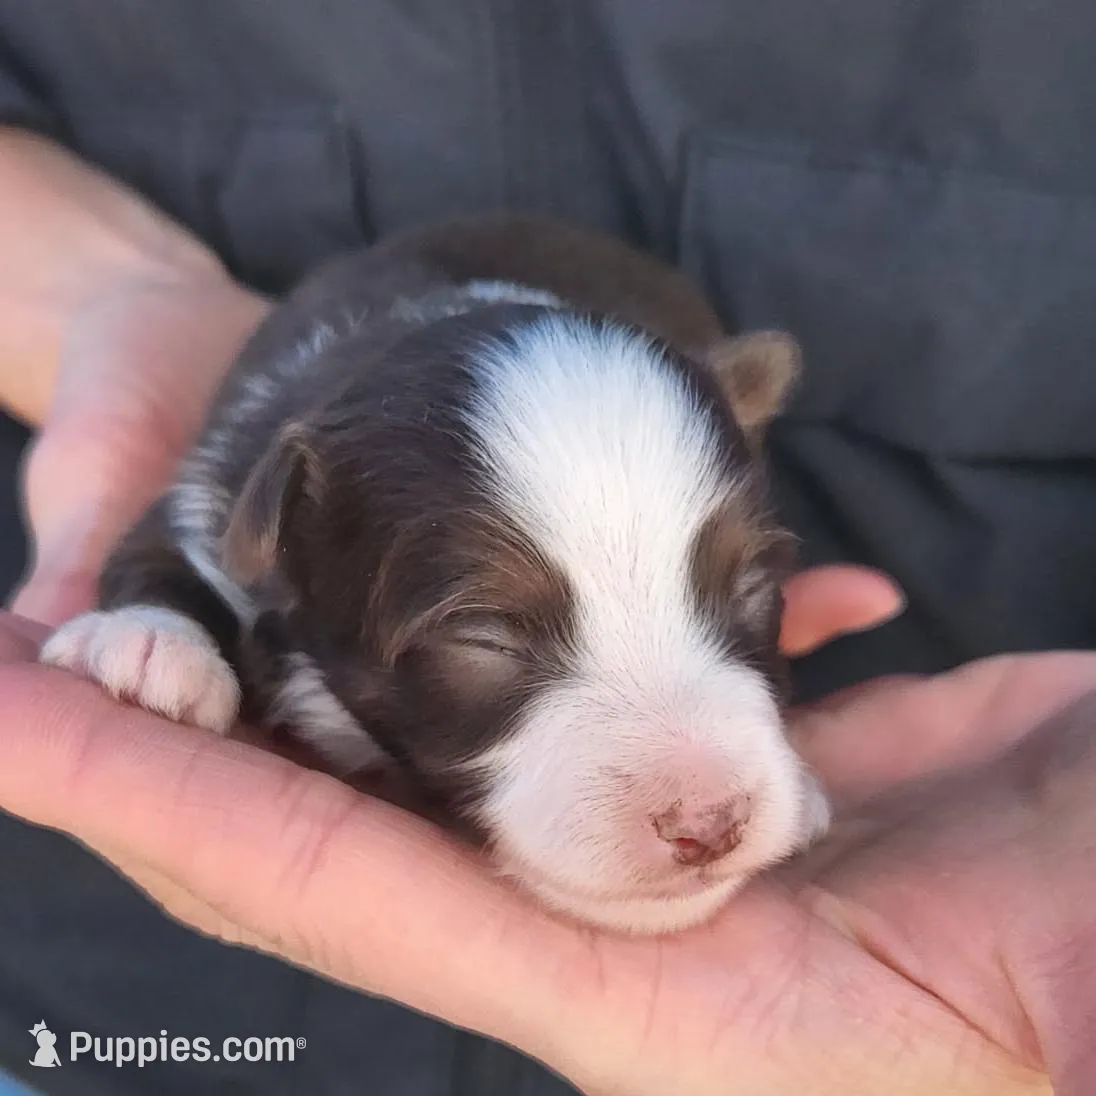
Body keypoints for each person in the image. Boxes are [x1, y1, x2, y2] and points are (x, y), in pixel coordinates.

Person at [1, 3, 1095, 1092]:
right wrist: (155, 612)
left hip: (938, 755)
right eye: (486, 631)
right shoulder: (266, 489)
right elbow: (179, 553)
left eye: (742, 586)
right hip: (146, 1023)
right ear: (282, 538)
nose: (700, 807)